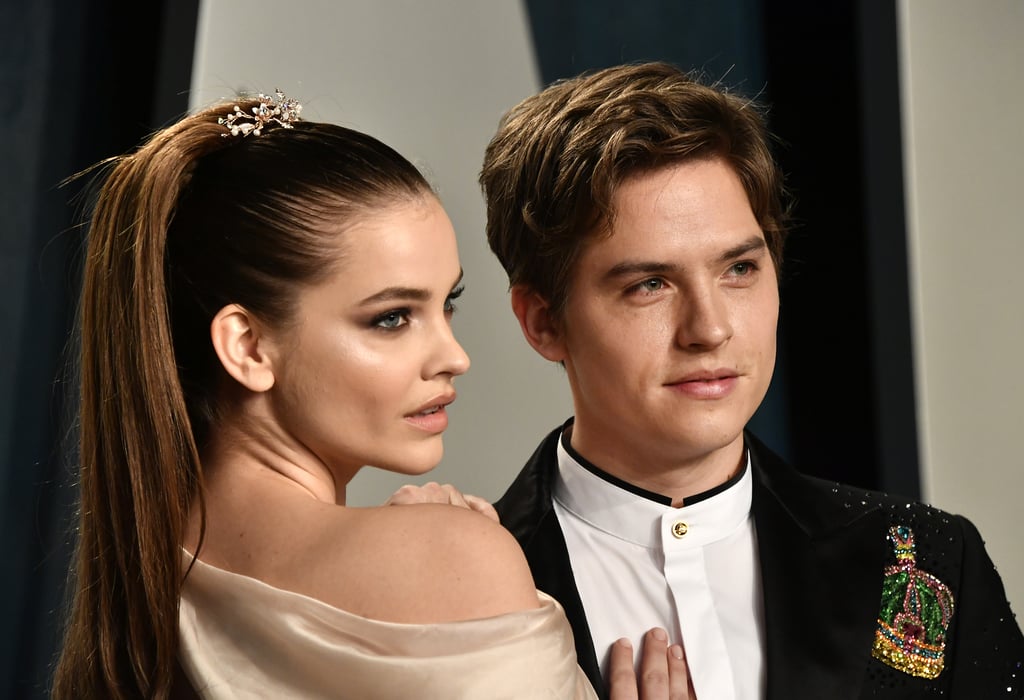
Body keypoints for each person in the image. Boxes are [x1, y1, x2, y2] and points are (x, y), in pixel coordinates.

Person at [50, 90, 688, 699]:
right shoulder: (456, 556)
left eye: (448, 305)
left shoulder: (137, 588)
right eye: (391, 318)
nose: (454, 357)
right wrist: (446, 549)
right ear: (246, 347)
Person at [475, 62, 1024, 699]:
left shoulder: (922, 561)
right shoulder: (450, 592)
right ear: (543, 322)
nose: (709, 330)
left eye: (738, 269)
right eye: (649, 285)